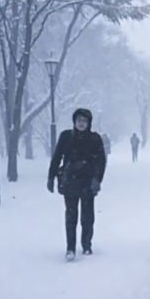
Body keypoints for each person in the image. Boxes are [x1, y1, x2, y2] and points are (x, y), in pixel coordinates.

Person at [48, 108, 106, 259]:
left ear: (89, 123)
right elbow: (57, 157)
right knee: (71, 216)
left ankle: (86, 244)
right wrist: (51, 176)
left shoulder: (95, 139)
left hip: (87, 182)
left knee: (87, 217)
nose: (81, 123)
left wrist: (97, 179)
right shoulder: (66, 137)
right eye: (79, 120)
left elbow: (101, 161)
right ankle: (70, 248)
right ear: (74, 122)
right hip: (70, 181)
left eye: (84, 121)